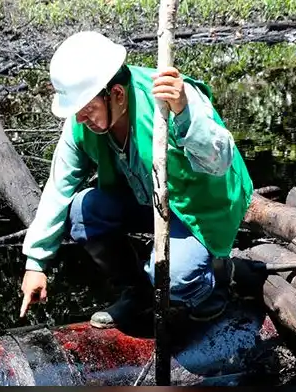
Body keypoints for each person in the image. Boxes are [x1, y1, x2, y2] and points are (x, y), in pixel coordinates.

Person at [19, 31, 254, 328]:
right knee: (82, 212)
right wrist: (36, 263)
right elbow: (58, 186)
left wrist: (184, 116)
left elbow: (220, 162)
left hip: (204, 203)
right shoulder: (81, 122)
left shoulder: (171, 100)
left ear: (116, 94)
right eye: (78, 112)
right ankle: (138, 294)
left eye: (88, 110)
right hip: (150, 196)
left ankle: (213, 286)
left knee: (171, 276)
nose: (81, 120)